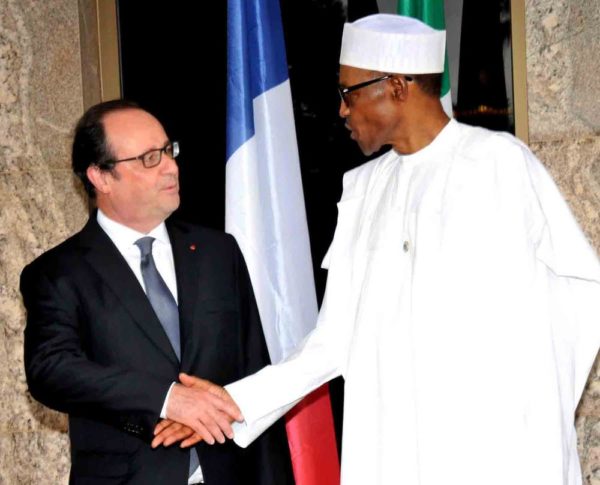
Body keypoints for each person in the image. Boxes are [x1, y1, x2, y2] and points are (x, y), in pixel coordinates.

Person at [158, 13, 600, 485]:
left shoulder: (499, 165)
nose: (342, 111)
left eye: (349, 93)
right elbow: (331, 341)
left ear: (396, 86)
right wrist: (230, 404)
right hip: (393, 447)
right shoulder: (363, 188)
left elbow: (577, 299)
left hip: (490, 448)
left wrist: (536, 431)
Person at [20, 99, 294, 485]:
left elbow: (253, 369)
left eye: (168, 150)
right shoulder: (58, 272)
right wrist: (167, 398)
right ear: (100, 176)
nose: (171, 166)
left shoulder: (218, 252)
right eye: (149, 158)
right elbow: (52, 370)